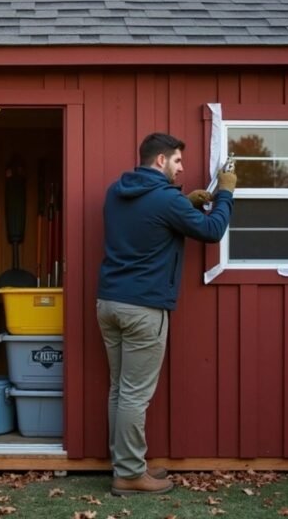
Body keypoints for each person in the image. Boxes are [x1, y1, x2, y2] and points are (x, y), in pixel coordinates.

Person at [97, 132, 237, 495]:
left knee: (119, 388)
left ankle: (125, 463)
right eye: (177, 161)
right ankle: (129, 475)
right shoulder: (165, 200)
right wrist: (225, 193)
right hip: (144, 307)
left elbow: (148, 224)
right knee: (134, 394)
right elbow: (211, 229)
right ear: (160, 160)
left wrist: (184, 203)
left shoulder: (116, 192)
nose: (182, 169)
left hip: (109, 303)